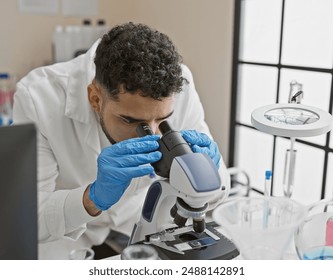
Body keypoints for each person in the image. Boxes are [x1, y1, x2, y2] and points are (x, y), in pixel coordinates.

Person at [13, 22, 230, 259]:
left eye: (164, 120)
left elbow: (221, 187)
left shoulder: (180, 84)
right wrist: (91, 198)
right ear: (95, 99)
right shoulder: (38, 97)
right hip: (65, 236)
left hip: (141, 226)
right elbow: (28, 218)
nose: (154, 135)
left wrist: (210, 172)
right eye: (131, 120)